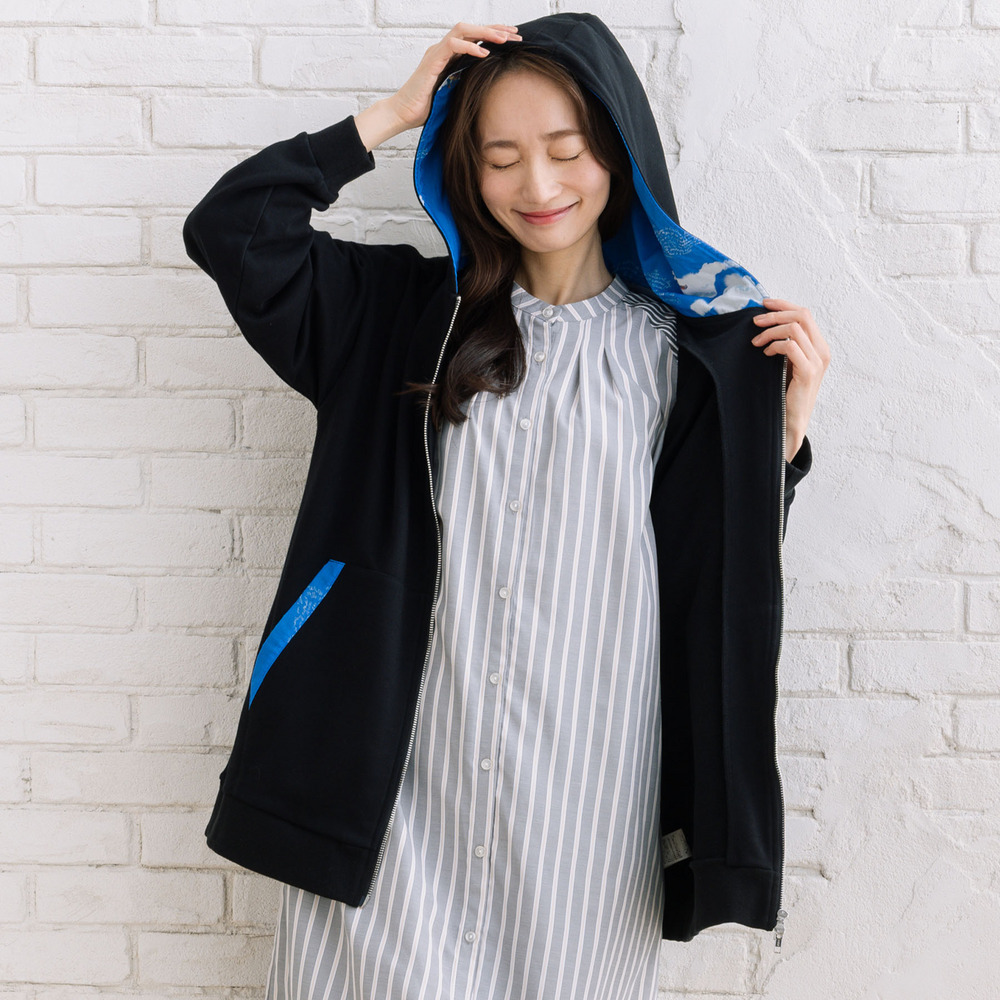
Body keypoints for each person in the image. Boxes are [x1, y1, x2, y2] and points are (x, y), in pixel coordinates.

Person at [182, 13, 829, 999]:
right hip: (395, 794)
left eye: (567, 151)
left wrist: (775, 444)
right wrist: (397, 111)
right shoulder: (396, 319)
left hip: (587, 798)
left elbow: (720, 577)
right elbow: (233, 231)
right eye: (499, 157)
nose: (538, 185)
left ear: (617, 152)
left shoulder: (695, 358)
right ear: (463, 170)